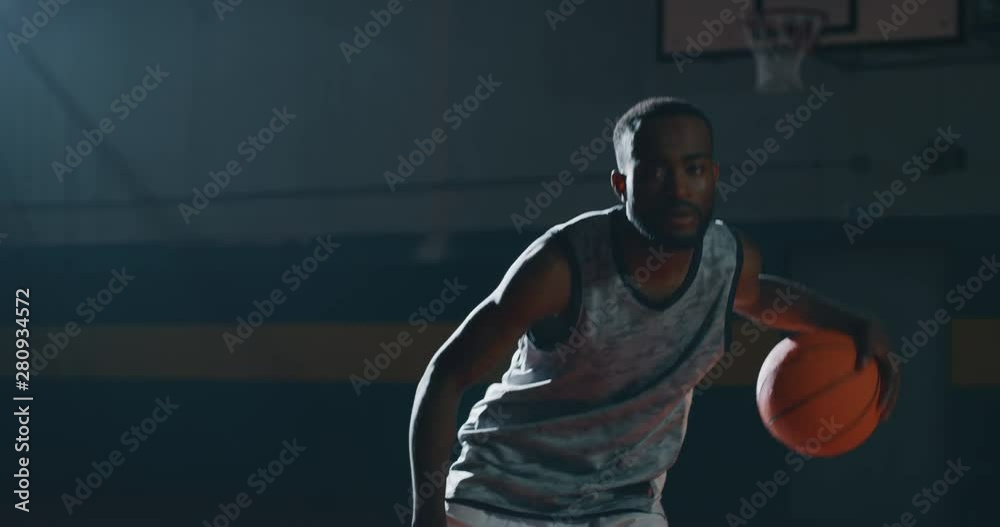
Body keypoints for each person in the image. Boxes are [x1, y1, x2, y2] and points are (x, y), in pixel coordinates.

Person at [408, 97, 900, 527]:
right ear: (622, 184)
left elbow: (757, 295)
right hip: (502, 492)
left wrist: (850, 322)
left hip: (622, 503)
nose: (679, 187)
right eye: (657, 171)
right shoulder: (560, 267)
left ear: (714, 176)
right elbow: (446, 375)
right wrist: (427, 515)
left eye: (694, 168)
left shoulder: (728, 263)